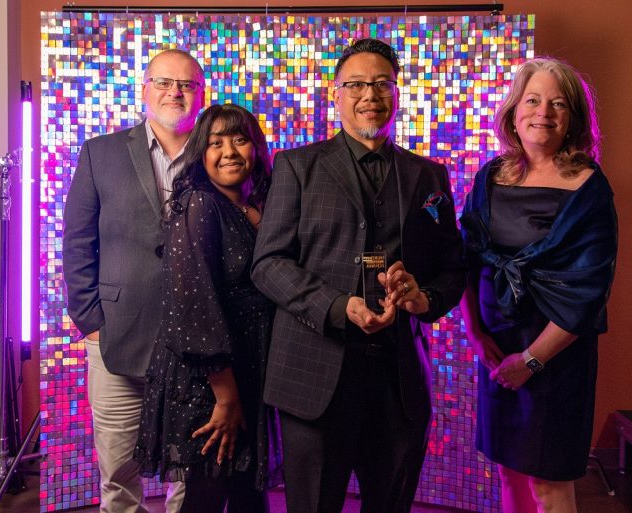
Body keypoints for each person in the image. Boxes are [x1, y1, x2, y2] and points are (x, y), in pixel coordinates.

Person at [251, 39, 466, 513]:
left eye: (382, 84)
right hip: (312, 378)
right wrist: (333, 305)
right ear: (336, 94)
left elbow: (453, 266)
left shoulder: (429, 176)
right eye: (357, 84)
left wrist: (424, 297)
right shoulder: (297, 166)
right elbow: (267, 264)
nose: (370, 94)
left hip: (399, 382)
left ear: (396, 92)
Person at [459, 57, 618, 513]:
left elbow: (588, 293)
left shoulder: (589, 187)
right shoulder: (491, 176)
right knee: (508, 473)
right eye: (532, 100)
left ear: (573, 119)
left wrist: (530, 361)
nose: (542, 112)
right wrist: (476, 335)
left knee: (548, 484)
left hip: (554, 356)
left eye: (558, 103)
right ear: (513, 110)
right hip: (496, 348)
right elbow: (467, 260)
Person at [63, 49, 204, 513]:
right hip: (116, 338)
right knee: (119, 471)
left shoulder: (219, 151)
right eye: (163, 82)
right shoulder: (100, 153)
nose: (174, 92)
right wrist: (89, 321)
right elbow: (78, 242)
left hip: (199, 341)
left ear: (201, 95)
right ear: (144, 89)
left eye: (185, 85)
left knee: (192, 469)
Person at [133, 103, 277, 513]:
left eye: (239, 139)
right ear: (201, 152)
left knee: (249, 492)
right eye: (216, 143)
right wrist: (226, 396)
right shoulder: (199, 205)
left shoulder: (257, 206)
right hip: (211, 380)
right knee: (206, 496)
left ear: (256, 148)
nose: (229, 151)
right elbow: (193, 305)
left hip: (252, 366)